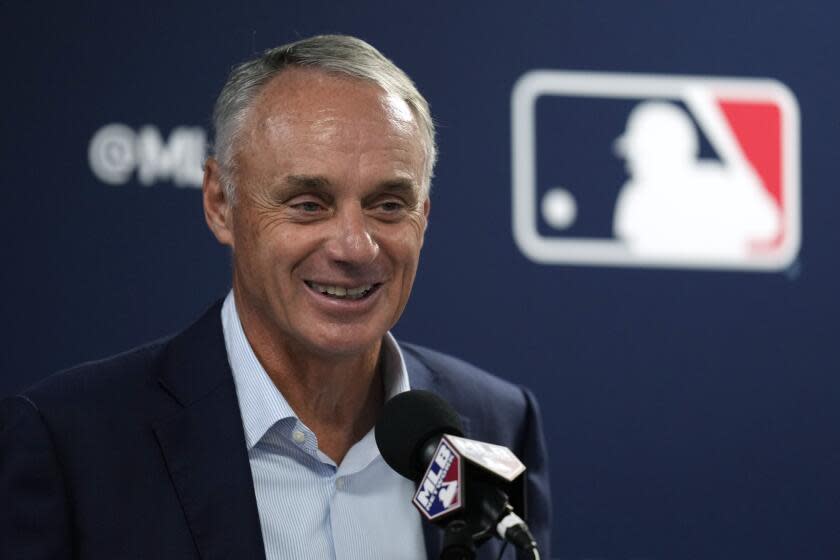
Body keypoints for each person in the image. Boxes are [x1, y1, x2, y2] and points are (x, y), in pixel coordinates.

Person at [1, 35, 551, 559]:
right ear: (220, 203)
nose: (355, 247)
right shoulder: (70, 444)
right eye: (309, 203)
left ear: (423, 217)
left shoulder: (495, 423)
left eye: (388, 204)